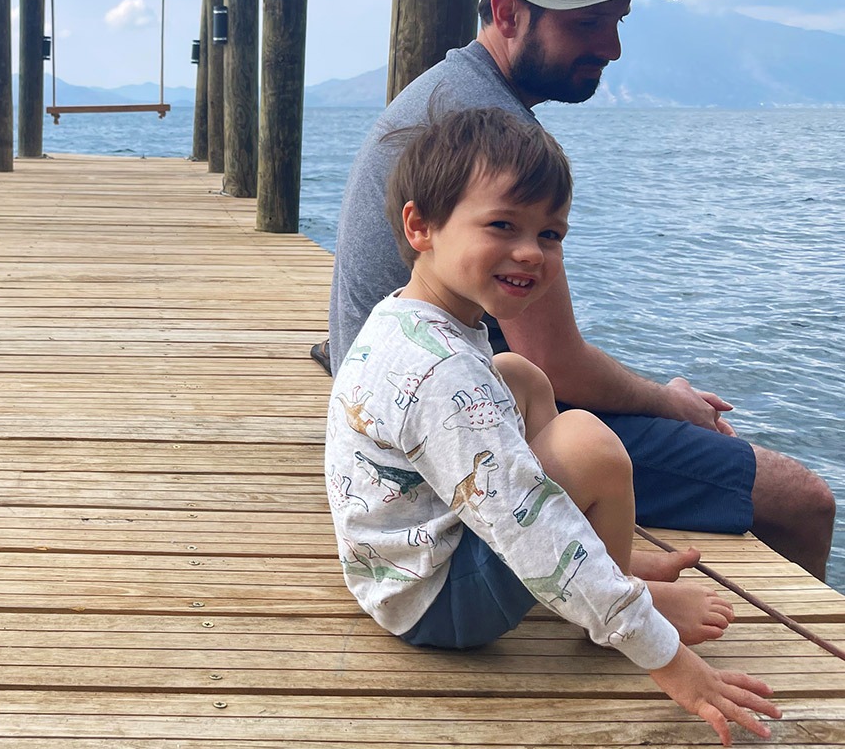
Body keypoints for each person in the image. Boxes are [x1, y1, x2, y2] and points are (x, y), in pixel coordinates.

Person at [327, 0, 835, 578]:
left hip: (398, 408)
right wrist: (670, 401)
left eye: (618, 21)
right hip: (444, 435)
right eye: (589, 22)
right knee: (803, 499)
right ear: (507, 13)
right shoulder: (495, 140)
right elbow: (556, 363)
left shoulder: (450, 97)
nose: (612, 47)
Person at [326, 107, 779, 746]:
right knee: (590, 446)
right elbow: (525, 519)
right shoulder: (442, 373)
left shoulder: (412, 317)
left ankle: (606, 560)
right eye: (503, 225)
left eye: (551, 234)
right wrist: (670, 661)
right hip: (436, 604)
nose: (530, 252)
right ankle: (613, 595)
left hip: (398, 564)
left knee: (522, 374)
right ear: (420, 225)